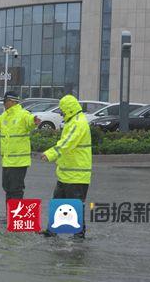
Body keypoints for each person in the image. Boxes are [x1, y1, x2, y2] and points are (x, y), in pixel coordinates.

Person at [40, 94, 92, 238]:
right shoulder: (72, 121)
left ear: (69, 109)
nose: (61, 113)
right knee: (58, 202)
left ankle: (79, 235)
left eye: (62, 110)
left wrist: (50, 154)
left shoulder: (78, 123)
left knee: (75, 206)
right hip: (66, 173)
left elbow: (66, 144)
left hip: (77, 175)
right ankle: (52, 231)